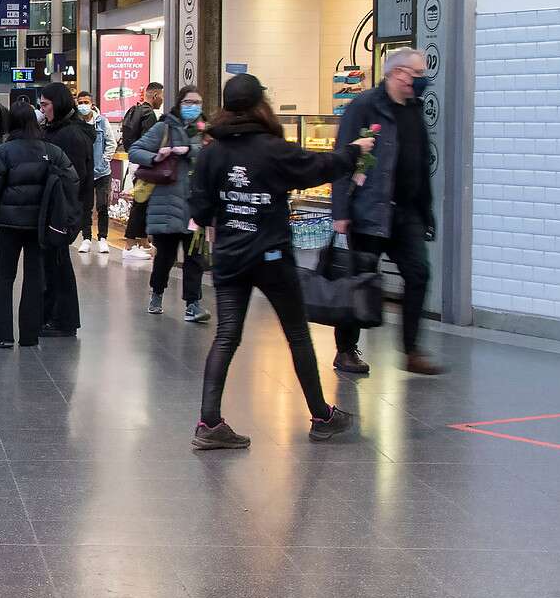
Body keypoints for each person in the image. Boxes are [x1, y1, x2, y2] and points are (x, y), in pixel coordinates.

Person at [187, 73, 376, 448]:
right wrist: (355, 151)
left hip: (229, 256)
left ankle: (209, 423)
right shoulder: (273, 148)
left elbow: (200, 207)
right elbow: (318, 168)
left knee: (226, 335)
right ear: (261, 104)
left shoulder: (211, 153)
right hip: (271, 256)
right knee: (296, 334)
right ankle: (322, 416)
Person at [330, 47, 442, 376]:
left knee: (419, 274)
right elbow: (342, 159)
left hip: (406, 213)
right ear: (398, 74)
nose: (422, 81)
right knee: (359, 281)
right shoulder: (363, 107)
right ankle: (346, 350)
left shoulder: (414, 109)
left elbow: (421, 163)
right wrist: (341, 211)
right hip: (369, 210)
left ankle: (411, 349)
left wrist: (426, 210)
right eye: (417, 75)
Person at [0, 100, 78, 349]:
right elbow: (72, 180)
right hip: (39, 227)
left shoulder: (3, 152)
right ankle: (29, 335)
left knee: (5, 278)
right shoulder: (52, 151)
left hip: (9, 226)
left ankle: (1, 333)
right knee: (34, 279)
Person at [129, 84, 209, 322]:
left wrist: (189, 151)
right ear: (179, 104)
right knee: (166, 256)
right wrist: (156, 156)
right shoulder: (163, 127)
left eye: (197, 103)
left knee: (194, 257)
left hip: (195, 206)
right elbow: (135, 150)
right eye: (188, 103)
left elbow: (212, 155)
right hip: (166, 204)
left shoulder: (205, 130)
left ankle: (193, 304)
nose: (193, 108)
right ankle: (157, 292)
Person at [38, 82, 93, 338]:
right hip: (58, 209)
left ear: (57, 104)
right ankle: (53, 316)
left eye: (45, 105)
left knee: (58, 265)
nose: (42, 110)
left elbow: (74, 178)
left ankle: (62, 319)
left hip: (62, 210)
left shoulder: (70, 136)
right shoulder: (58, 130)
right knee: (52, 265)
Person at [120, 81, 163, 259]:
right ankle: (130, 245)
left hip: (134, 163)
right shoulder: (149, 115)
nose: (162, 99)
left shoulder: (133, 111)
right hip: (145, 164)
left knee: (144, 203)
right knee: (141, 204)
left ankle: (143, 240)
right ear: (154, 96)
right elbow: (150, 143)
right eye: (161, 95)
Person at [76, 93, 112, 255]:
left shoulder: (102, 122)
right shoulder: (76, 123)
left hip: (102, 172)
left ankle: (103, 238)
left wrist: (104, 161)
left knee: (102, 206)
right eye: (80, 102)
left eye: (86, 102)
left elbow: (110, 142)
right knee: (86, 207)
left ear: (92, 104)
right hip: (85, 172)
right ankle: (86, 238)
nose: (83, 105)